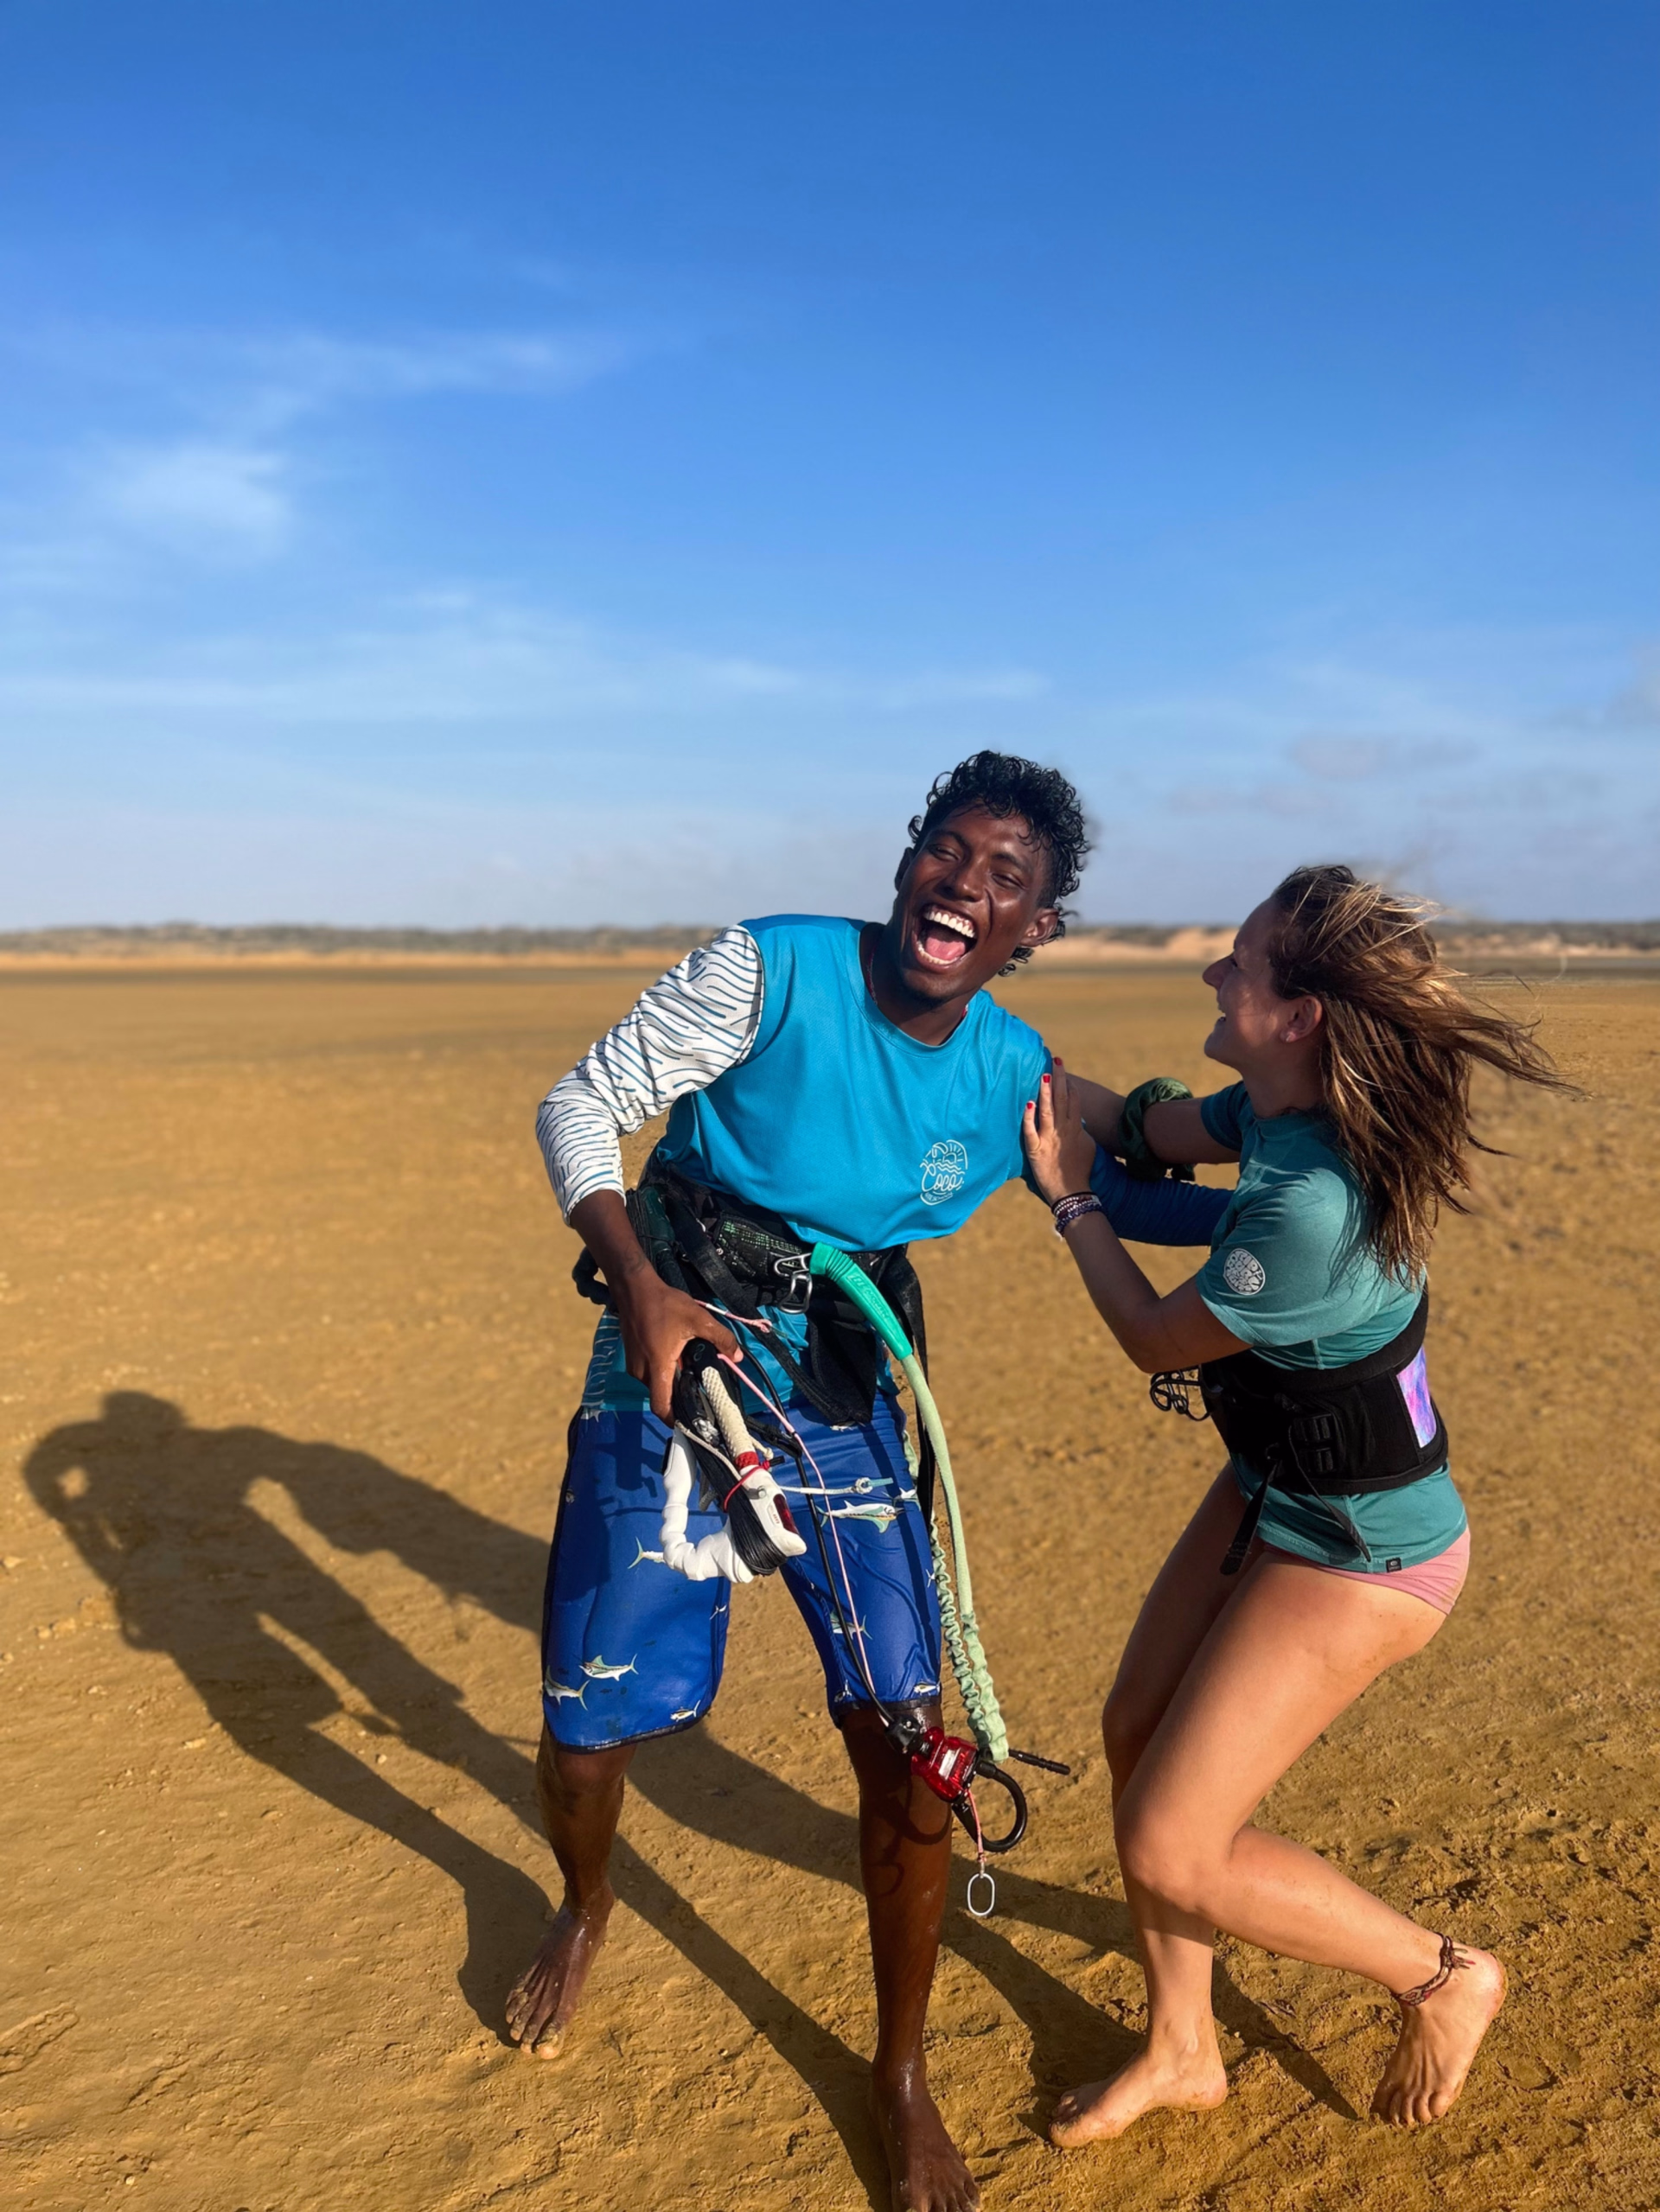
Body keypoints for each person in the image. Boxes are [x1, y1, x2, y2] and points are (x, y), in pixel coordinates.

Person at [508, 753, 1217, 2212]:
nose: (965, 883)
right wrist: (639, 1287)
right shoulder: (767, 970)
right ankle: (585, 1898)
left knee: (910, 1747)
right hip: (670, 1340)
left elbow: (1136, 1154)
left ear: (1036, 927)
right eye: (947, 850)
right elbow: (581, 1104)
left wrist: (1309, 1165)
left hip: (840, 1379)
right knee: (586, 1732)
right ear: (908, 862)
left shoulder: (1010, 1067)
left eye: (1005, 876)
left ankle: (898, 2072)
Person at [1022, 863, 1570, 2148]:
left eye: (1242, 961)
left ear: (1300, 1014)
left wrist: (1071, 1200)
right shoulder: (1278, 1109)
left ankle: (1443, 1975)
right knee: (1136, 1727)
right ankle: (1184, 2048)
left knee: (1173, 1841)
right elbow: (1148, 1131)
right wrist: (995, 1056)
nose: (1215, 971)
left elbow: (1155, 1335)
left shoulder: (1314, 1207)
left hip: (1367, 1550)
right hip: (1279, 1485)